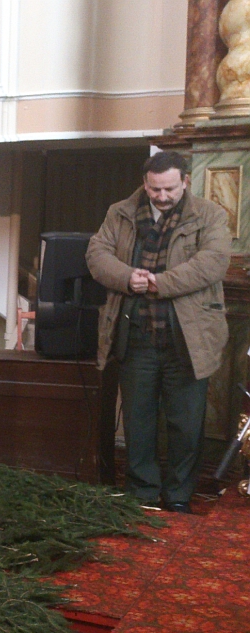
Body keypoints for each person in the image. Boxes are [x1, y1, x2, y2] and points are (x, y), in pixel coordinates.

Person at [86, 151, 231, 514]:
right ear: (145, 183)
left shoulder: (211, 214)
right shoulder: (119, 212)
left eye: (169, 189)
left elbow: (213, 263)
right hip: (135, 336)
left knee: (186, 423)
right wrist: (126, 277)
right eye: (155, 189)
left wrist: (158, 283)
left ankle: (179, 495)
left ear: (185, 181)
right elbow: (97, 254)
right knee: (138, 421)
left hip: (189, 338)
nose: (162, 196)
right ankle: (142, 494)